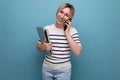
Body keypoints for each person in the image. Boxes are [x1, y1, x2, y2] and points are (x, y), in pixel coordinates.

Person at [36, 3, 82, 80]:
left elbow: (78, 52)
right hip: (46, 69)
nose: (62, 16)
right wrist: (44, 46)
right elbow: (38, 47)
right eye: (61, 12)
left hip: (64, 71)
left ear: (69, 19)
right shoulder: (47, 29)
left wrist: (66, 33)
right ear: (57, 12)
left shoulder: (73, 31)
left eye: (66, 15)